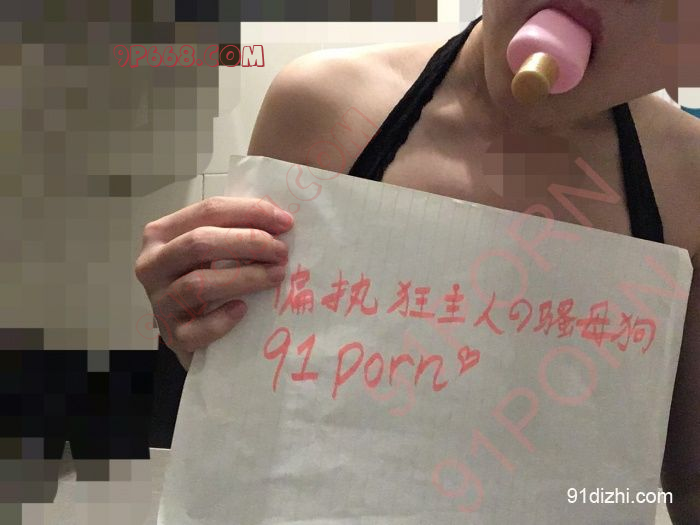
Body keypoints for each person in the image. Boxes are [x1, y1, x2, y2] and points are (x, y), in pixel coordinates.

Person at [134, 1, 700, 521]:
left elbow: (688, 487)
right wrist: (196, 333)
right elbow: (242, 422)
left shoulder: (686, 178)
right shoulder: (324, 106)